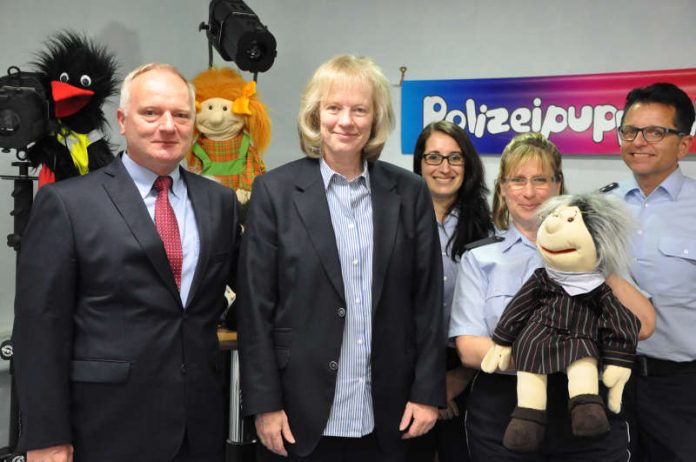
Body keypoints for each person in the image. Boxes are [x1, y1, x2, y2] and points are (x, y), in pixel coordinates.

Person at [12, 63, 241, 462]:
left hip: (199, 424)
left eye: (181, 114)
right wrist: (45, 436)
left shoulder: (219, 203)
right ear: (122, 120)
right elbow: (39, 329)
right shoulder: (68, 204)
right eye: (150, 113)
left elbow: (246, 296)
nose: (167, 126)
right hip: (104, 426)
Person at [236, 54, 446, 462]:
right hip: (296, 415)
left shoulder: (410, 193)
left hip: (390, 413)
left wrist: (427, 393)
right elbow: (255, 308)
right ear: (316, 114)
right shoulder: (274, 192)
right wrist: (264, 404)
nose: (345, 120)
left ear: (376, 118)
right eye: (333, 107)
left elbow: (427, 303)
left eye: (359, 109)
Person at [448, 132, 655, 461]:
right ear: (503, 188)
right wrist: (560, 353)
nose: (529, 192)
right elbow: (471, 349)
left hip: (585, 409)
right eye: (518, 180)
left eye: (540, 179)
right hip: (506, 412)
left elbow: (642, 325)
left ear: (558, 185)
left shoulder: (598, 256)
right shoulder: (481, 257)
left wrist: (596, 259)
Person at [611, 82, 696, 461]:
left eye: (655, 132)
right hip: (609, 380)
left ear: (684, 144)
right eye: (630, 131)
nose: (638, 141)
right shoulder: (600, 205)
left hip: (680, 388)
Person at [407, 120, 493, 462]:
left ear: (467, 165)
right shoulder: (395, 221)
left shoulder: (490, 225)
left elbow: (498, 315)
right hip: (407, 370)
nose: (444, 168)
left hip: (471, 366)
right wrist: (423, 385)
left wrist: (458, 378)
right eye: (434, 158)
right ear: (419, 164)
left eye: (455, 158)